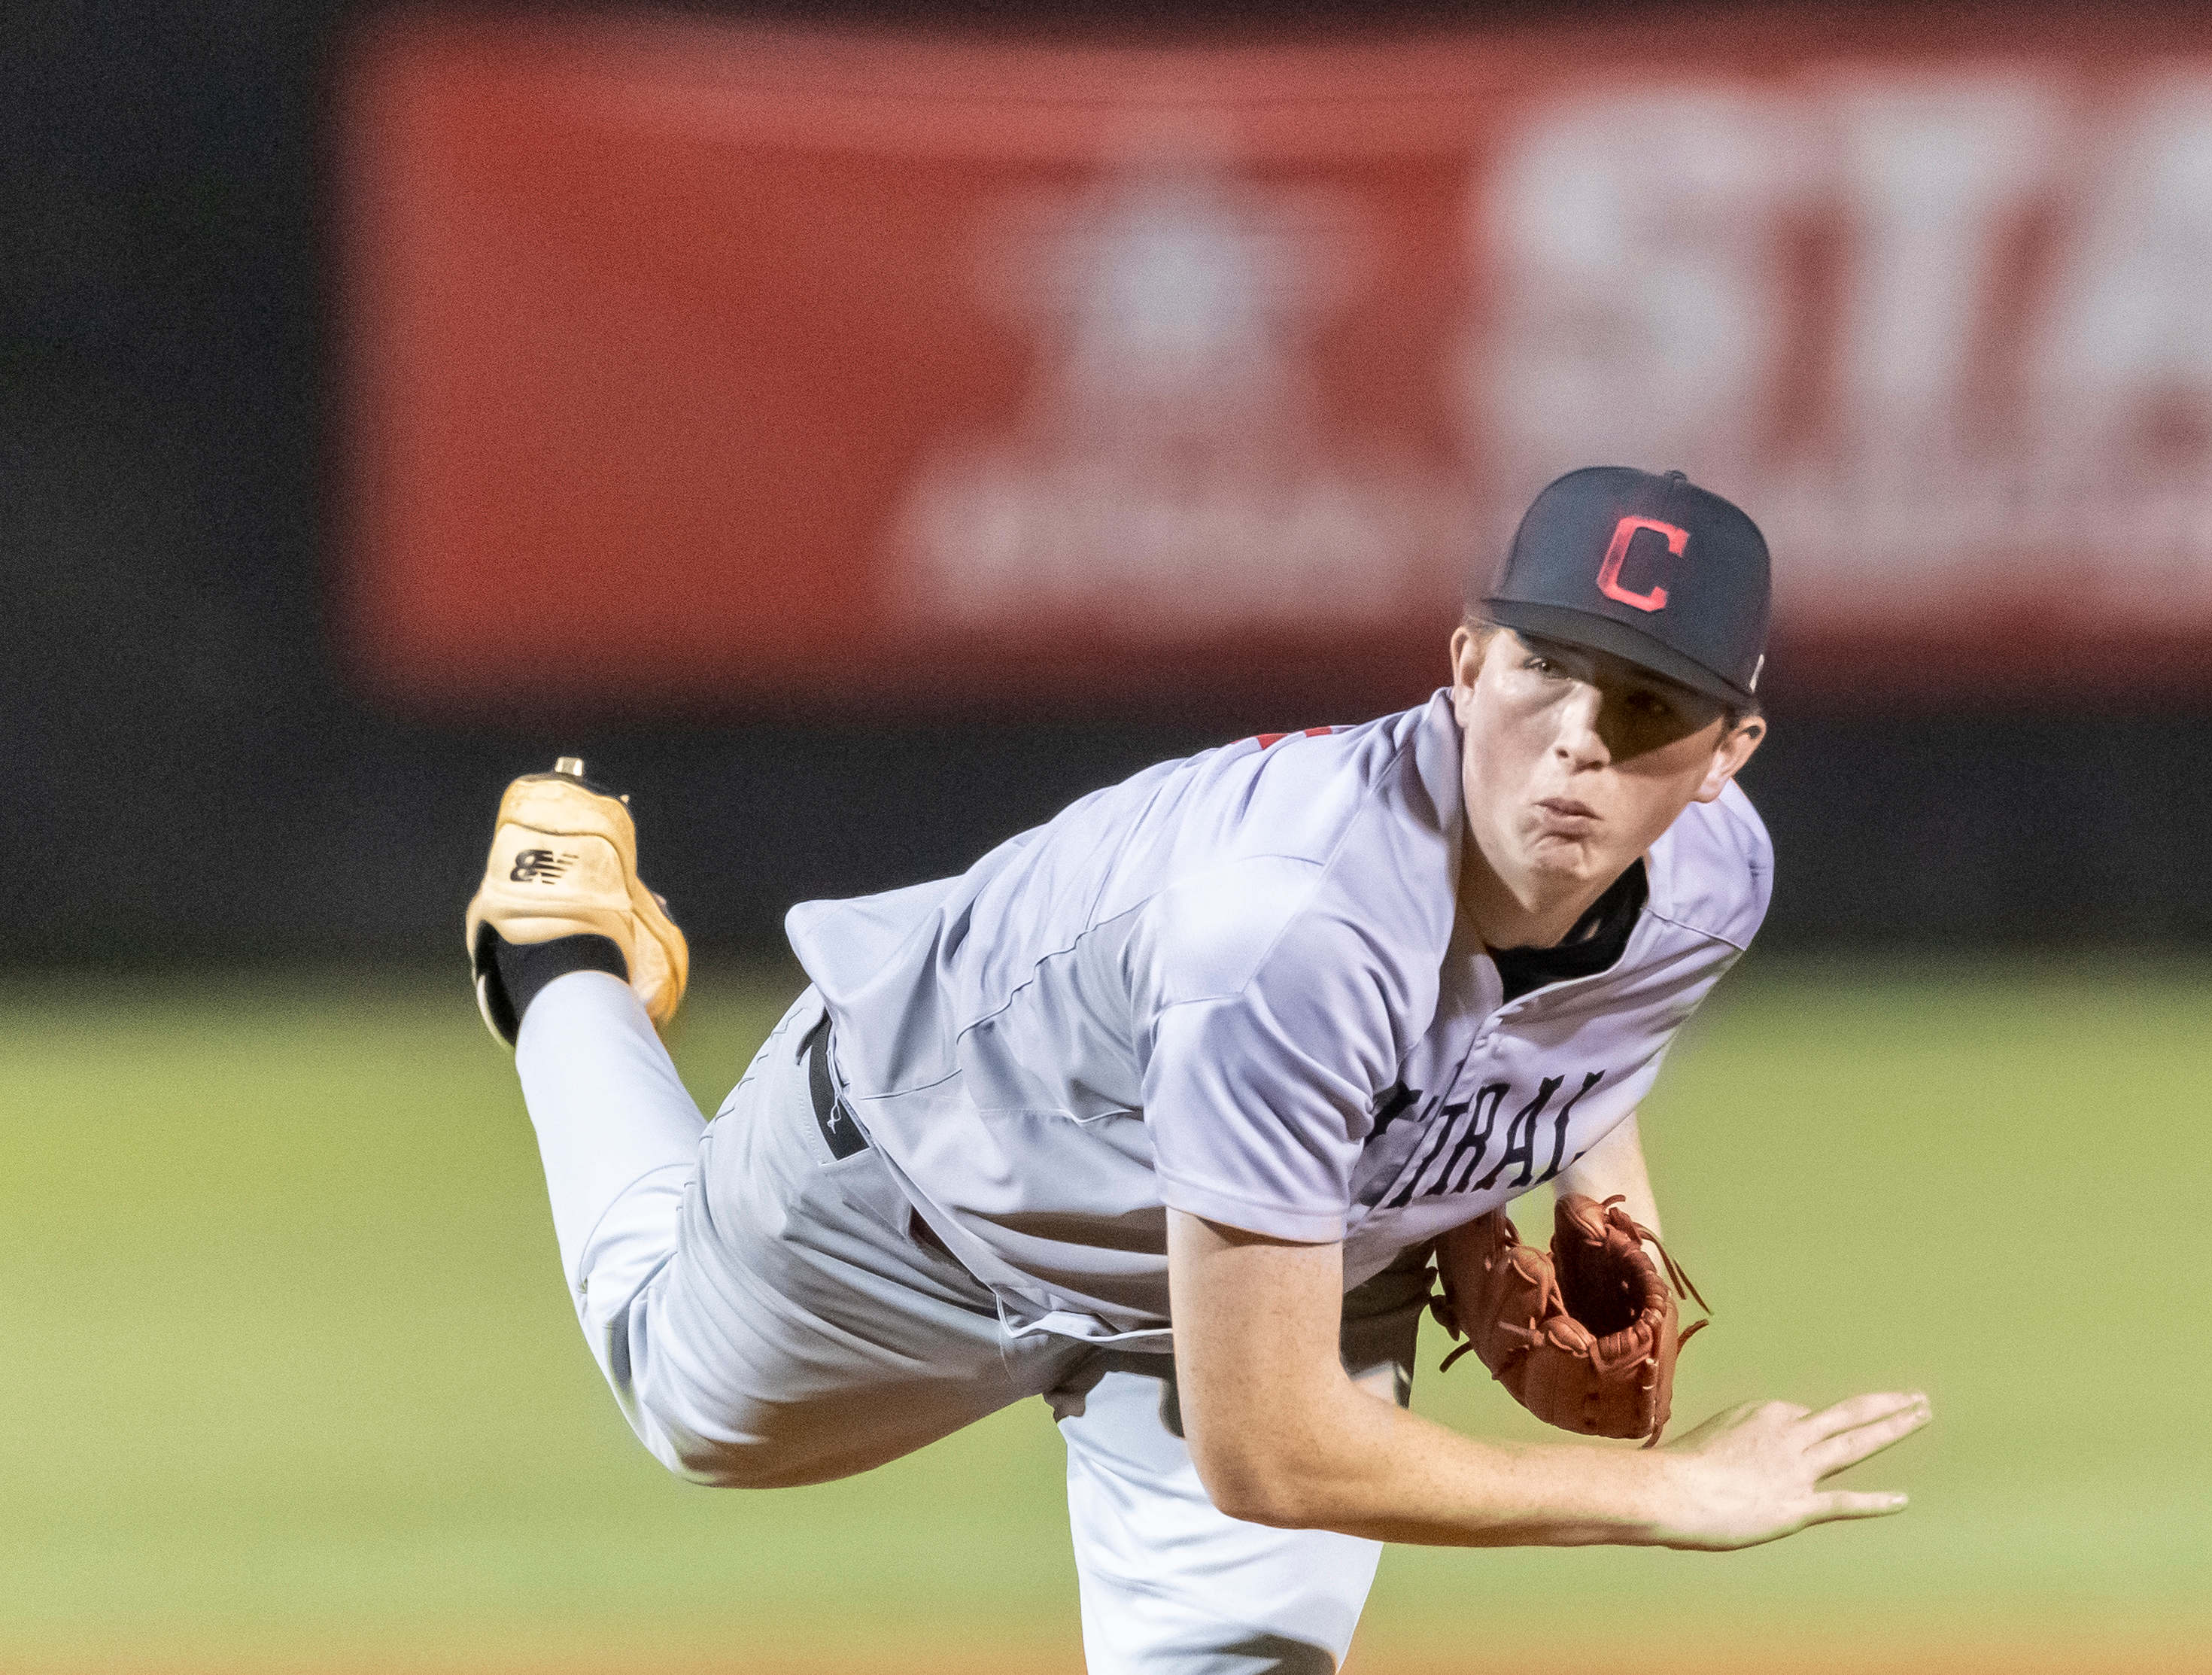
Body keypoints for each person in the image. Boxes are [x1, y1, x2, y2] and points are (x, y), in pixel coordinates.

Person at [463, 466, 1931, 1673]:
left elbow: (1582, 1034)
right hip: (930, 1184)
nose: (1573, 746)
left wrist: (1606, 1198)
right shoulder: (1294, 919)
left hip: (1272, 1262)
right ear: (1468, 659)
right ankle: (559, 956)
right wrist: (1670, 1495)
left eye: (1645, 709)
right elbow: (1274, 1452)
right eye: (1546, 669)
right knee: (684, 1401)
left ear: (1725, 753)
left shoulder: (1711, 878)